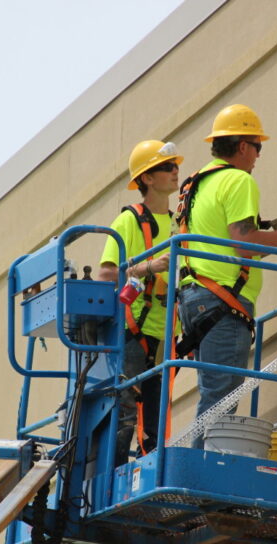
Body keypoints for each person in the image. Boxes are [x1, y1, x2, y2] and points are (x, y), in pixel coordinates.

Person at [176, 104, 277, 438]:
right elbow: (244, 243)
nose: (258, 156)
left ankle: (197, 469)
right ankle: (201, 478)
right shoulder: (238, 180)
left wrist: (276, 238)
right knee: (221, 399)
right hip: (221, 304)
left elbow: (228, 246)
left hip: (195, 300)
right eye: (257, 147)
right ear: (241, 146)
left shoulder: (198, 184)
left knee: (213, 393)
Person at [99, 139, 183, 465]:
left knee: (155, 421)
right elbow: (108, 276)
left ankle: (146, 474)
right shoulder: (129, 221)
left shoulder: (180, 223)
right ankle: (112, 479)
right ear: (147, 178)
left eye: (175, 165)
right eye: (167, 167)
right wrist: (148, 266)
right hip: (134, 331)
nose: (175, 171)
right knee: (124, 413)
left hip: (166, 334)